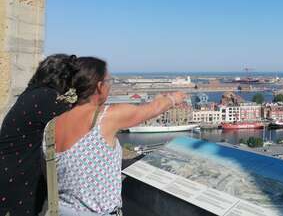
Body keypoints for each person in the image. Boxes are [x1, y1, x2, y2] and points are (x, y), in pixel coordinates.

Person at [49, 57, 187, 216]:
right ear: (100, 86)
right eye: (109, 81)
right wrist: (174, 98)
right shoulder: (106, 118)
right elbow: (152, 109)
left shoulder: (51, 127)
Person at [0, 54, 79, 216]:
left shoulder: (32, 94)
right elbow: (78, 126)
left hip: (12, 177)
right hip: (19, 182)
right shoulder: (45, 97)